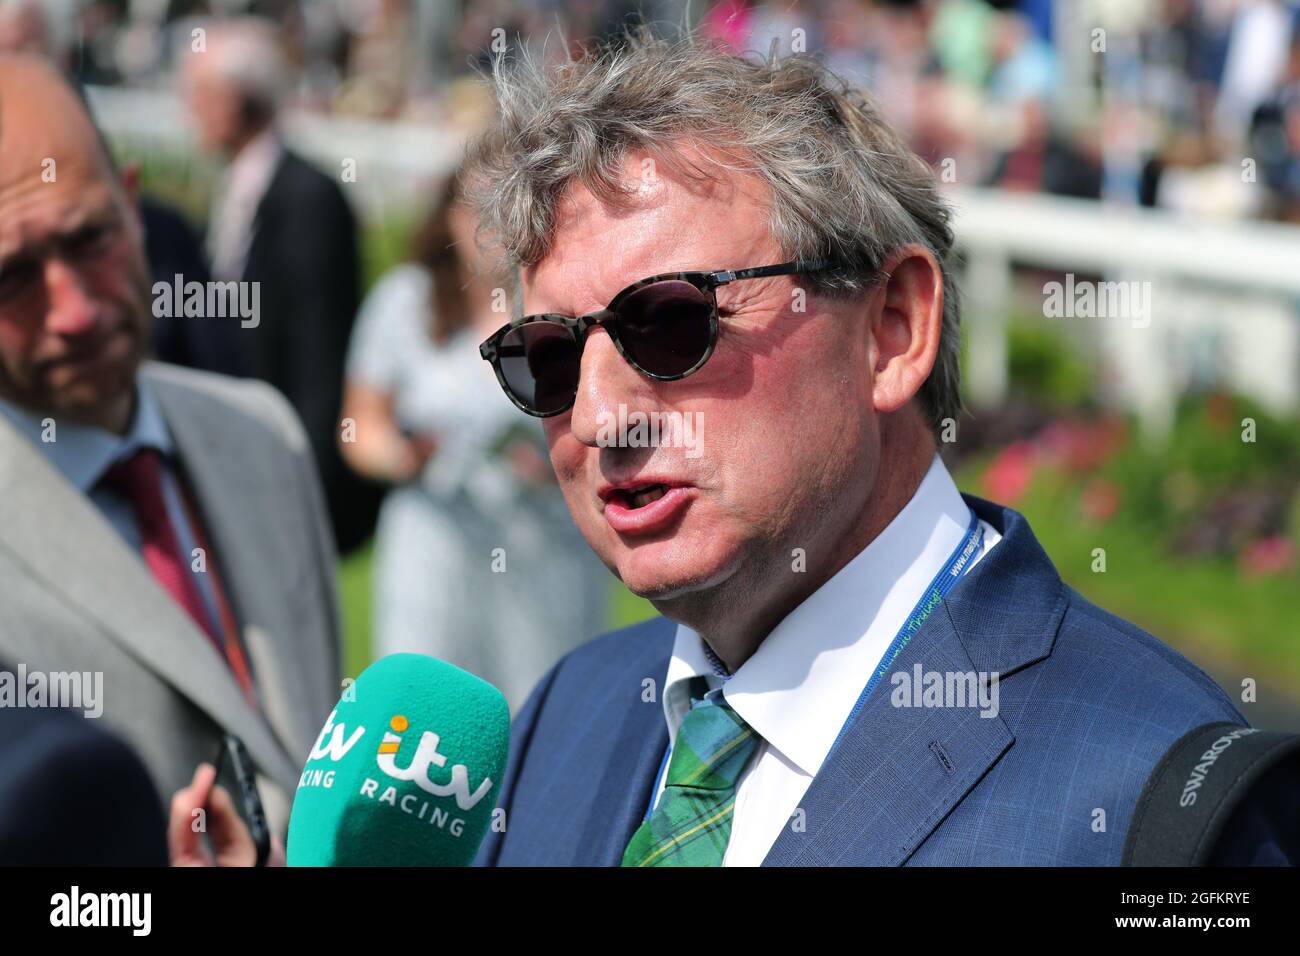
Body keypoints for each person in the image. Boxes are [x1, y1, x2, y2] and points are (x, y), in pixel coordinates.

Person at [461, 30, 1252, 866]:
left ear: (892, 329)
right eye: (547, 357)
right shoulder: (562, 720)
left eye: (668, 322)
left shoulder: (1160, 796)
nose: (597, 416)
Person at [0, 53, 341, 836]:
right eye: (12, 276)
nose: (75, 310)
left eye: (90, 239)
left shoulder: (263, 433)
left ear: (130, 202)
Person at [339, 174, 609, 712]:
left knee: (540, 705)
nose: (490, 232)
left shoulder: (556, 295)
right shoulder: (406, 299)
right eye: (475, 212)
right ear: (448, 216)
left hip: (539, 541)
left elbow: (601, 409)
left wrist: (556, 461)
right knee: (420, 704)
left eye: (504, 214)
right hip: (434, 532)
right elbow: (359, 425)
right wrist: (403, 455)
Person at [181, 16, 382, 555]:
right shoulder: (233, 192)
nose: (189, 108)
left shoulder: (308, 198)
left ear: (238, 99)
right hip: (233, 454)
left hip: (283, 466)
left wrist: (305, 484)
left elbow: (321, 353)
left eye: (199, 93)